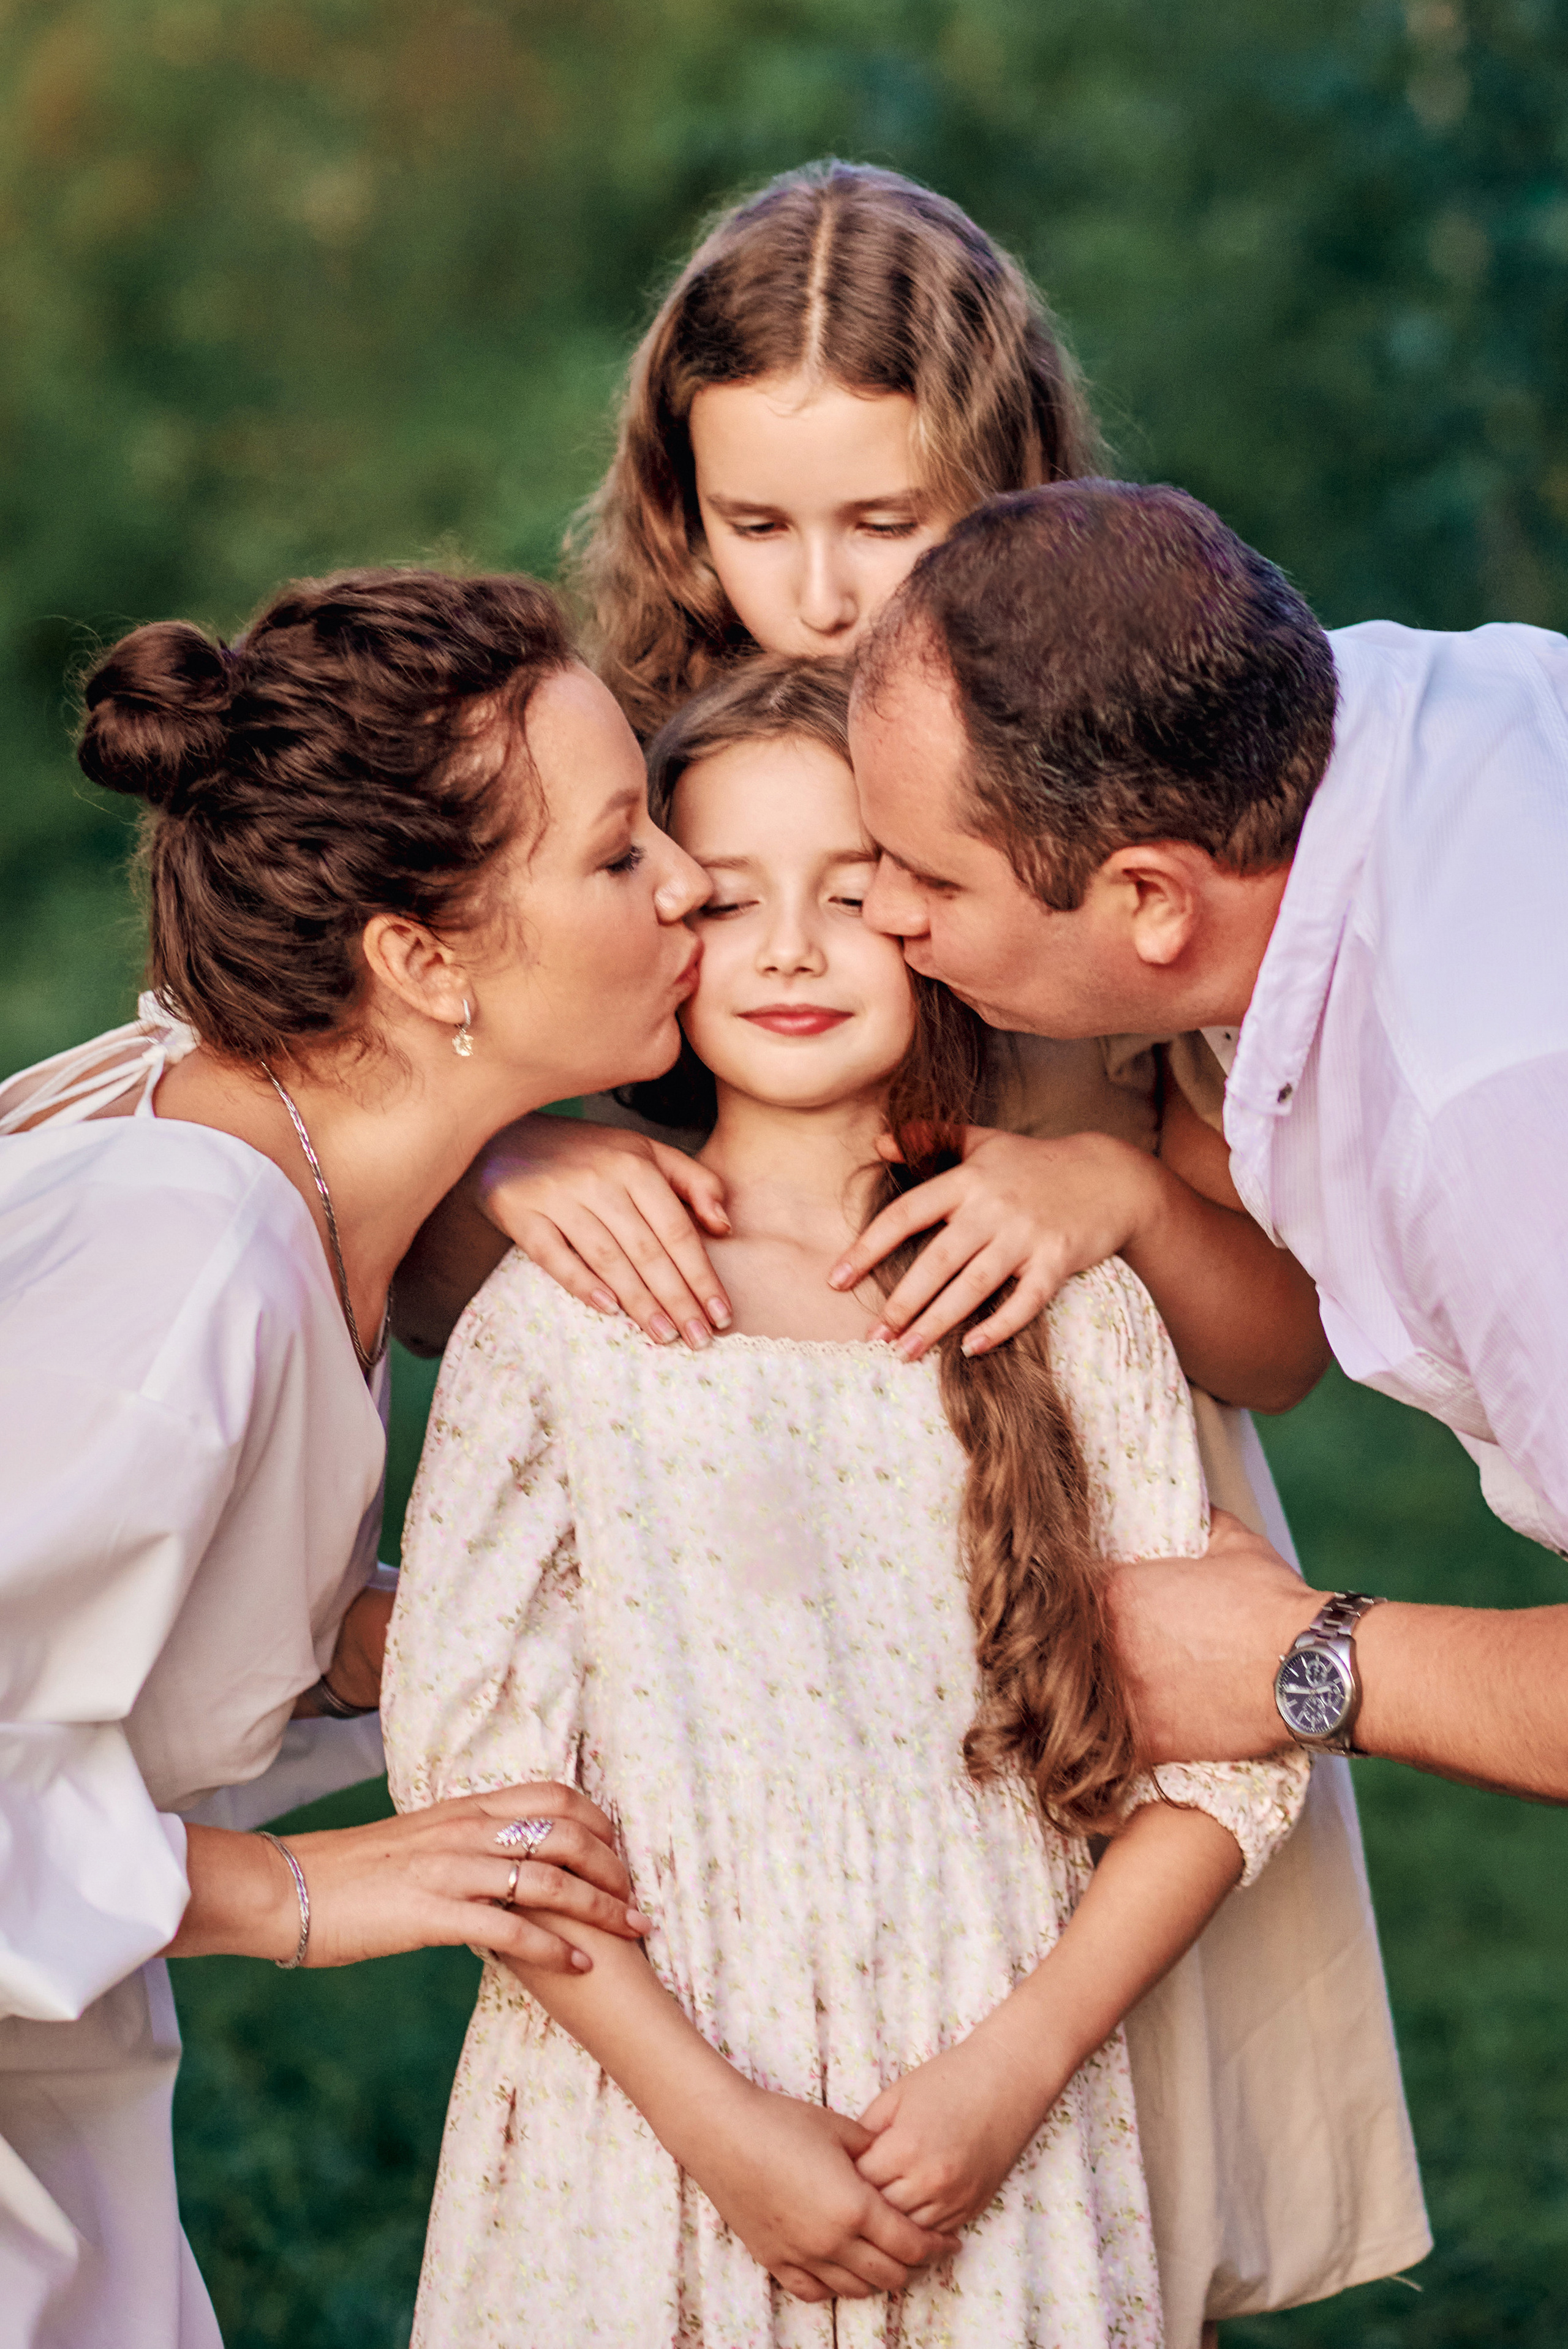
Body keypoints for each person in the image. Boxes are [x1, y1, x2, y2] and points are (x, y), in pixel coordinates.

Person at [383, 663, 1428, 2349]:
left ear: (940, 920)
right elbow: (481, 1793)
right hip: (638, 2134)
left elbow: (1231, 1757)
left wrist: (1011, 2074)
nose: (791, 949)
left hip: (998, 2107)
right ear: (658, 920)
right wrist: (719, 2126)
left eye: (853, 897)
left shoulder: (1058, 1291)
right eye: (728, 899)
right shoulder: (560, 1316)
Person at [398, 162, 1327, 1532]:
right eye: (755, 527)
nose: (821, 599)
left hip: (1099, 1542)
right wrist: (494, 1168)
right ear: (677, 506)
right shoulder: (608, 793)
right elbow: (408, 1283)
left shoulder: (1123, 771)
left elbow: (1278, 1350)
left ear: (1008, 487)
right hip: (722, 1563)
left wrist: (1111, 1192)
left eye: (885, 525)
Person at [0, 566, 712, 2346]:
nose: (688, 883)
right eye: (622, 853)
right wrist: (301, 1893)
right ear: (418, 958)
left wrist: (368, 1636)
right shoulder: (187, 1254)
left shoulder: (280, 1169)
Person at [843, 475, 1568, 1799]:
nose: (878, 910)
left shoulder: (1490, 1113)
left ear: (1149, 901)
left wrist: (1302, 1658)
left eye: (932, 878)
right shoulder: (1387, 722)